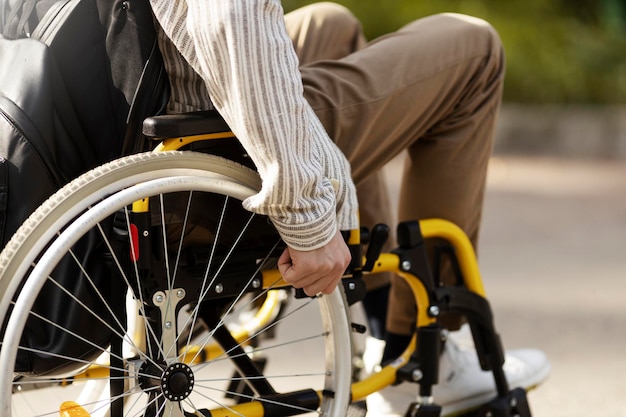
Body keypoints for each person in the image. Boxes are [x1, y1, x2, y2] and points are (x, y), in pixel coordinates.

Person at [148, 1, 550, 415]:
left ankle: (381, 330)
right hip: (210, 143)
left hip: (141, 113)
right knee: (476, 49)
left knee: (330, 26)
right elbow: (230, 16)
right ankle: (415, 351)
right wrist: (304, 212)